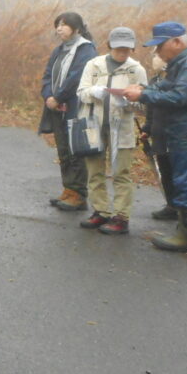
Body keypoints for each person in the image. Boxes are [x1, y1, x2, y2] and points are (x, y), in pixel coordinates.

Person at [124, 22, 187, 253]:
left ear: (177, 42)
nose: (157, 52)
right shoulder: (184, 63)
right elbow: (167, 89)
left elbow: (180, 96)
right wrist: (144, 89)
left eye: (160, 46)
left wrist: (143, 94)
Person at [76, 27, 148, 235]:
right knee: (94, 170)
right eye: (118, 48)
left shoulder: (136, 69)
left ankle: (121, 217)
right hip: (93, 126)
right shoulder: (94, 65)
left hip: (122, 128)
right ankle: (100, 210)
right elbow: (81, 93)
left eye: (127, 49)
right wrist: (95, 92)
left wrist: (130, 102)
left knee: (121, 173)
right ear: (109, 46)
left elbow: (145, 104)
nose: (122, 53)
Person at [39, 12, 97, 212]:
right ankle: (68, 189)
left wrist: (59, 97)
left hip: (74, 107)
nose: (59, 28)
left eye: (64, 24)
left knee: (76, 150)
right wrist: (48, 96)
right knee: (63, 150)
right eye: (58, 25)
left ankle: (79, 194)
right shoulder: (59, 50)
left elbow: (77, 77)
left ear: (77, 28)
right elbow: (47, 75)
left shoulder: (86, 50)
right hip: (56, 108)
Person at [140, 55, 178, 220]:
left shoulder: (176, 79)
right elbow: (150, 110)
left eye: (159, 56)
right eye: (154, 56)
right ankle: (171, 205)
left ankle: (183, 208)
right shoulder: (153, 81)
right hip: (158, 132)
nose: (155, 59)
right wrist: (147, 128)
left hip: (174, 133)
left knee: (177, 171)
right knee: (164, 169)